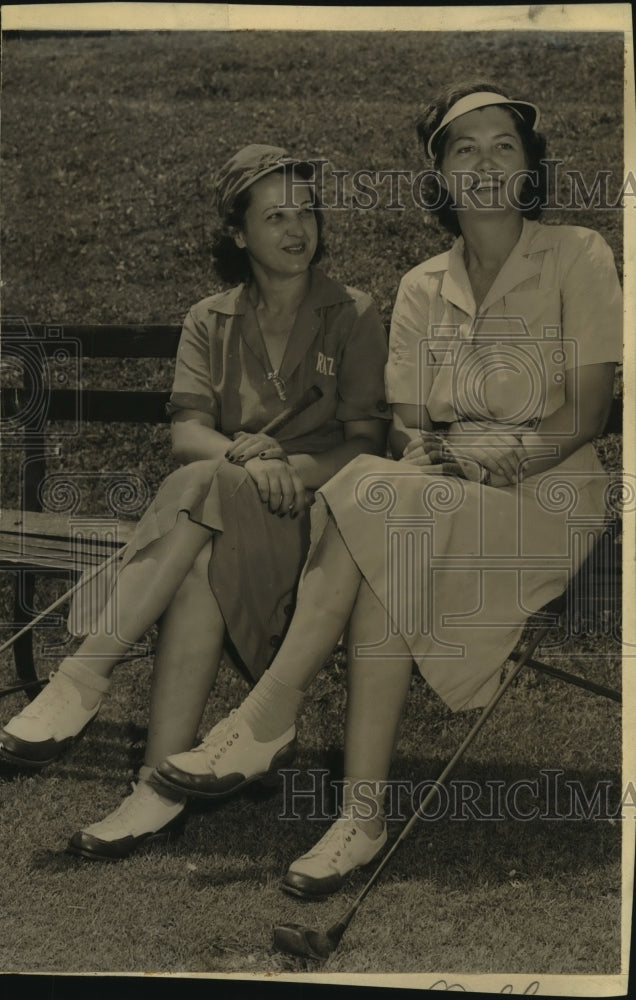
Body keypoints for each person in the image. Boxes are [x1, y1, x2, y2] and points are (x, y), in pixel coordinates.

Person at [153, 84, 622, 897]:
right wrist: (432, 456)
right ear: (439, 174)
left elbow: (585, 412)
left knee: (379, 503)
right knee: (385, 528)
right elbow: (406, 425)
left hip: (547, 497)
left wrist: (491, 461)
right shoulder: (420, 285)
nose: (484, 162)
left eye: (503, 145)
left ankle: (273, 717)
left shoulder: (579, 254)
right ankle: (357, 817)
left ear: (528, 168)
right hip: (436, 497)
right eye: (463, 147)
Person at [0, 144, 390, 860]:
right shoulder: (210, 319)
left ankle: (82, 678)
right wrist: (246, 460)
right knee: (201, 536)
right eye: (275, 217)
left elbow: (367, 445)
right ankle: (158, 787)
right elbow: (188, 433)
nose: (296, 229)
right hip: (225, 512)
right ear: (239, 235)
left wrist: (284, 467)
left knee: (200, 497)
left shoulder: (354, 314)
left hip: (323, 537)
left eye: (305, 212)